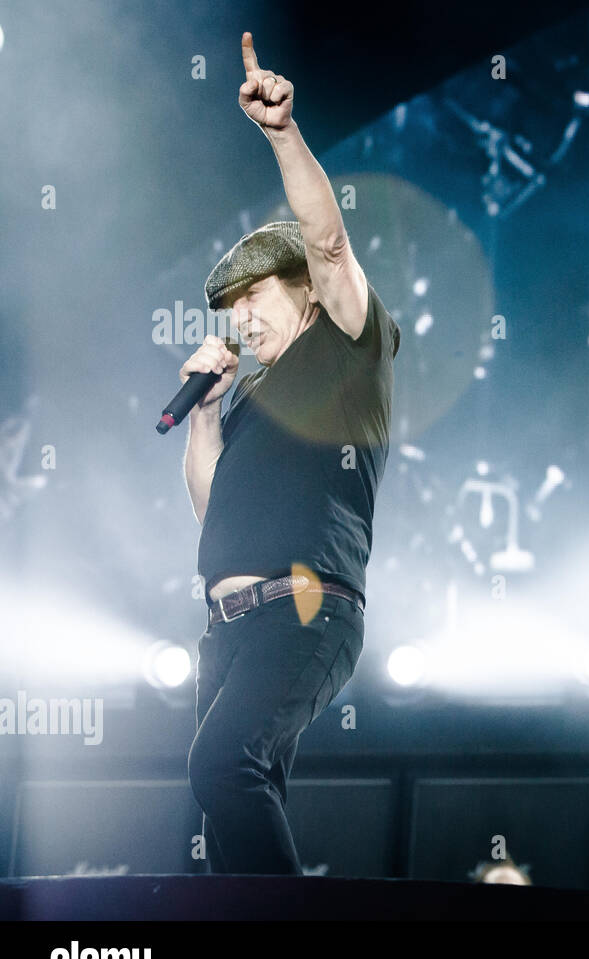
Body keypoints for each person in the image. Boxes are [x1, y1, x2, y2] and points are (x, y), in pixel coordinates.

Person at [178, 33, 401, 874]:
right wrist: (204, 422)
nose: (242, 318)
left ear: (303, 286)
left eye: (255, 296)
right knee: (231, 800)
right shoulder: (248, 397)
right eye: (229, 308)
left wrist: (280, 134)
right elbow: (217, 519)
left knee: (222, 766)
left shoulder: (348, 344)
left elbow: (331, 239)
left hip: (306, 606)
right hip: (229, 624)